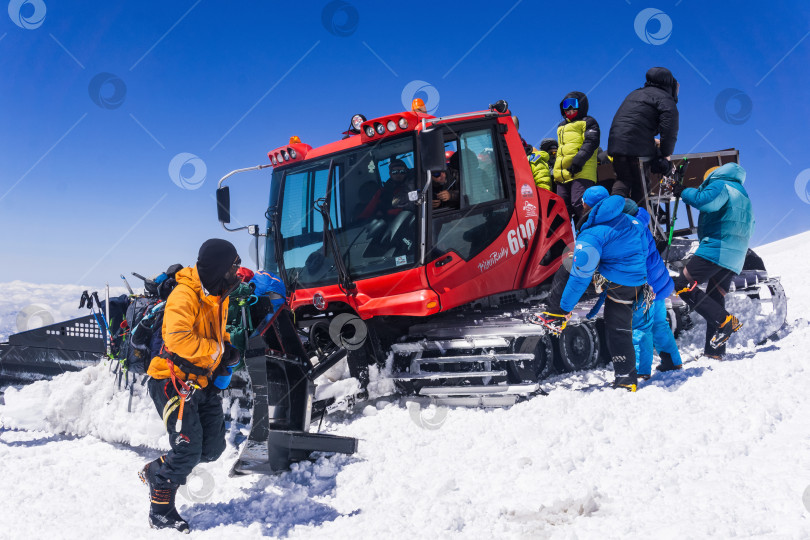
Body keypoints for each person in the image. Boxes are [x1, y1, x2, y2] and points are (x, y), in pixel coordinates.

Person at [139, 239, 242, 532]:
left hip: (201, 381)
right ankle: (160, 511)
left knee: (211, 449)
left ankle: (158, 469)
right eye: (234, 264)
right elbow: (177, 339)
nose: (238, 270)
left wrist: (227, 348)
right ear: (222, 267)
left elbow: (213, 335)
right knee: (187, 448)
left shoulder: (219, 294)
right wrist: (218, 351)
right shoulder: (185, 295)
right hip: (170, 380)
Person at [535, 186, 648, 391]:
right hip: (635, 281)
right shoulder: (629, 220)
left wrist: (566, 307)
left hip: (615, 281)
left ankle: (555, 313)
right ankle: (626, 378)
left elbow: (580, 276)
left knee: (569, 264)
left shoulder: (592, 234)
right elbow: (644, 248)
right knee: (620, 329)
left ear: (586, 205)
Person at [672, 162, 754, 356]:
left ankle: (725, 321)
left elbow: (705, 201)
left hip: (717, 248)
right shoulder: (743, 195)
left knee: (683, 284)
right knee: (715, 296)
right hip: (736, 255)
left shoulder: (720, 184)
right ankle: (714, 351)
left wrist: (683, 191)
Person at [623, 199, 682, 377]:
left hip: (647, 286)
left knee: (641, 327)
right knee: (659, 324)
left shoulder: (632, 229)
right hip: (658, 283)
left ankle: (641, 370)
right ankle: (672, 360)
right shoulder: (642, 224)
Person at [607, 67, 680, 207]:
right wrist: (665, 155)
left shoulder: (635, 93)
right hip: (637, 150)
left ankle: (611, 212)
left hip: (616, 144)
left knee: (623, 181)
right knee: (641, 189)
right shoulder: (665, 99)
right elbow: (669, 130)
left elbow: (633, 124)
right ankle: (639, 224)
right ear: (670, 84)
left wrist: (652, 141)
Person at [552, 91, 600, 223]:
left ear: (582, 105)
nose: (569, 109)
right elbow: (562, 149)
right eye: (565, 105)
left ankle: (590, 234)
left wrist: (578, 161)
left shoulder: (588, 122)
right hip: (564, 174)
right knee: (562, 210)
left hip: (582, 171)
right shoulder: (561, 126)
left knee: (579, 204)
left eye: (573, 104)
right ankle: (569, 241)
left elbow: (591, 142)